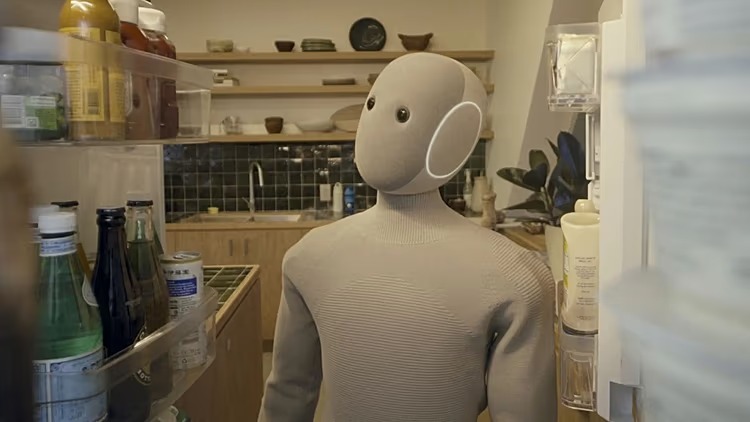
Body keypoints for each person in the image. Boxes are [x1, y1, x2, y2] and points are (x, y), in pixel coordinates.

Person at [260, 52, 556, 422]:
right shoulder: (518, 274)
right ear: (460, 135)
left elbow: (287, 395)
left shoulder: (307, 256)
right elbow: (523, 413)